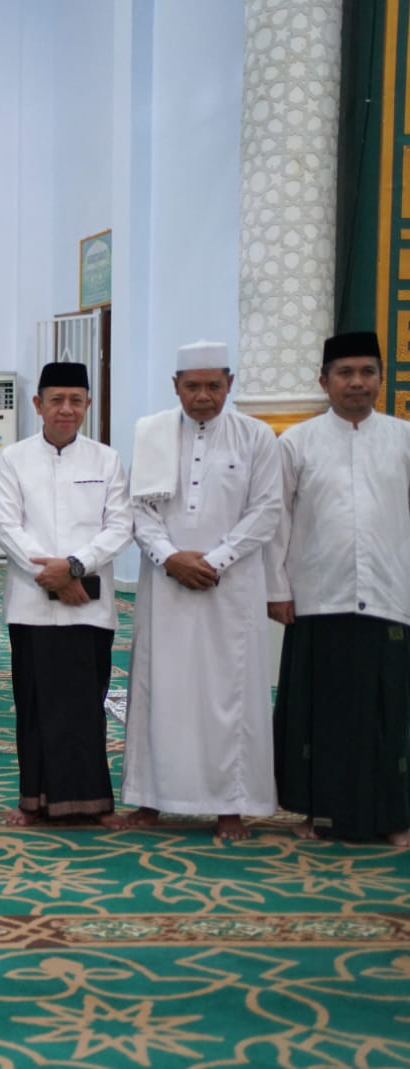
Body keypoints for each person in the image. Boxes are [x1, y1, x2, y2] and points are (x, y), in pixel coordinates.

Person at [122, 340, 282, 840]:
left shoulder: (256, 438)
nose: (204, 396)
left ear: (230, 384)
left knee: (228, 695)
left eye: (214, 385)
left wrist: (215, 561)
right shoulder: (152, 434)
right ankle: (150, 799)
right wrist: (168, 557)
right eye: (193, 386)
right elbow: (138, 509)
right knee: (158, 689)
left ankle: (230, 806)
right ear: (176, 387)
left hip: (229, 588)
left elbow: (267, 510)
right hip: (165, 583)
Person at [265, 330, 410, 846]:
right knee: (315, 711)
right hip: (317, 597)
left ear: (379, 379)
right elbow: (276, 522)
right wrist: (277, 589)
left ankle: (395, 818)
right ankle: (311, 813)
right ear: (323, 381)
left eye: (367, 372)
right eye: (345, 373)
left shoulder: (403, 438)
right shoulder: (297, 443)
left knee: (387, 712)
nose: (356, 383)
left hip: (390, 596)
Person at [0, 362, 132, 827]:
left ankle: (94, 803)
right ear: (38, 405)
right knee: (33, 704)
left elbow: (120, 526)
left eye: (76, 400)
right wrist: (50, 572)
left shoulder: (106, 459)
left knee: (85, 705)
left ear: (88, 404)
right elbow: (6, 525)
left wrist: (74, 567)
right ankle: (31, 802)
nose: (66, 409)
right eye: (56, 400)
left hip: (88, 604)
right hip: (32, 604)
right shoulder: (14, 458)